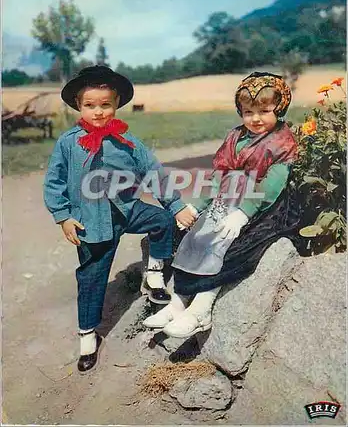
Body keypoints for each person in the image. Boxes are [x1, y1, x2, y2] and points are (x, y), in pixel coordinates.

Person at [43, 65, 196, 373]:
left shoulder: (126, 139)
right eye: (90, 105)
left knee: (161, 221)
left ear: (115, 105)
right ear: (78, 105)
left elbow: (153, 172)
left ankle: (154, 273)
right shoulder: (69, 143)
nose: (98, 112)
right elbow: (54, 182)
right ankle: (88, 336)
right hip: (91, 222)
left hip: (126, 210)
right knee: (91, 278)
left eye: (105, 105)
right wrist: (63, 217)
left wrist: (176, 205)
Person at [144, 72, 300, 338]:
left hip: (264, 208)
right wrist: (198, 206)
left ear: (280, 108)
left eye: (264, 111)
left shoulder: (282, 142)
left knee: (225, 243)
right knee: (194, 237)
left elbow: (272, 186)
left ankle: (201, 310)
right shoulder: (235, 137)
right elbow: (218, 178)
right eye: (248, 112)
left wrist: (242, 214)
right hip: (228, 200)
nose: (256, 119)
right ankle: (178, 303)